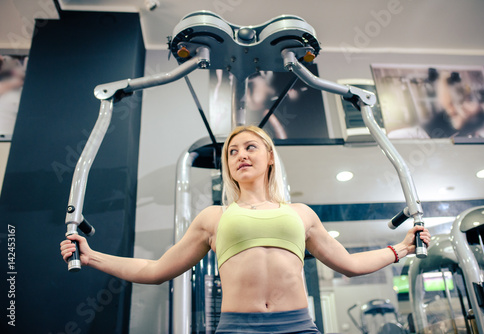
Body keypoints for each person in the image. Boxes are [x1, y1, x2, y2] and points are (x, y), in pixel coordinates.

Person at [61, 125, 430, 333]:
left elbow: (348, 264)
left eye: (250, 147)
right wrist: (92, 257)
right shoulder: (214, 217)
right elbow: (155, 270)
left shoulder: (300, 213)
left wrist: (402, 248)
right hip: (237, 329)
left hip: (298, 327)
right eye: (232, 152)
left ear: (270, 156)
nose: (240, 155)